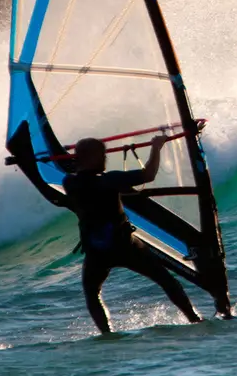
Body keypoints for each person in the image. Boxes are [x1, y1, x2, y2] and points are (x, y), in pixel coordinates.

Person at [62, 135, 203, 332]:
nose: (105, 158)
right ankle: (194, 319)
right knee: (166, 280)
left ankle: (106, 334)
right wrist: (156, 147)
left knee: (92, 293)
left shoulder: (70, 183)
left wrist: (72, 156)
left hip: (96, 251)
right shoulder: (109, 180)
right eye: (102, 155)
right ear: (94, 157)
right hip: (125, 246)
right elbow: (148, 175)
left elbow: (81, 172)